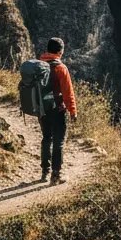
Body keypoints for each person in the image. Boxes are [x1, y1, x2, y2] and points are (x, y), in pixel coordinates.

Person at [38, 37, 77, 185]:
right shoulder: (61, 68)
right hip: (57, 109)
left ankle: (44, 172)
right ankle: (56, 175)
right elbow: (68, 93)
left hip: (42, 109)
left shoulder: (39, 65)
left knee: (46, 138)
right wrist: (73, 112)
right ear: (61, 51)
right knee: (59, 141)